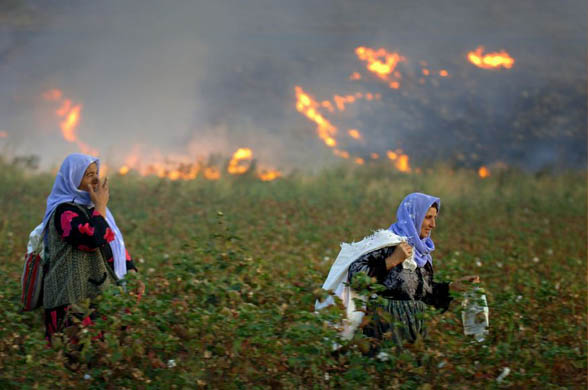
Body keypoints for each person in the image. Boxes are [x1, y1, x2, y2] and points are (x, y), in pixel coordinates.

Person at [346, 192, 479, 347]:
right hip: (385, 330)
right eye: (428, 217)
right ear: (412, 217)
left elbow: (422, 296)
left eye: (435, 218)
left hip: (414, 331)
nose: (433, 224)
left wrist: (451, 288)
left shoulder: (421, 252)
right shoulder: (386, 244)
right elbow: (356, 277)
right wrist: (392, 261)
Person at [41, 153, 142, 343]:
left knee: (99, 357)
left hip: (95, 296)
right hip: (69, 300)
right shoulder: (64, 212)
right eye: (88, 175)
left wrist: (131, 271)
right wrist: (101, 207)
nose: (96, 179)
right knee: (72, 360)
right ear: (73, 180)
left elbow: (113, 245)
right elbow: (95, 239)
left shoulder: (93, 210)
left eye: (96, 173)